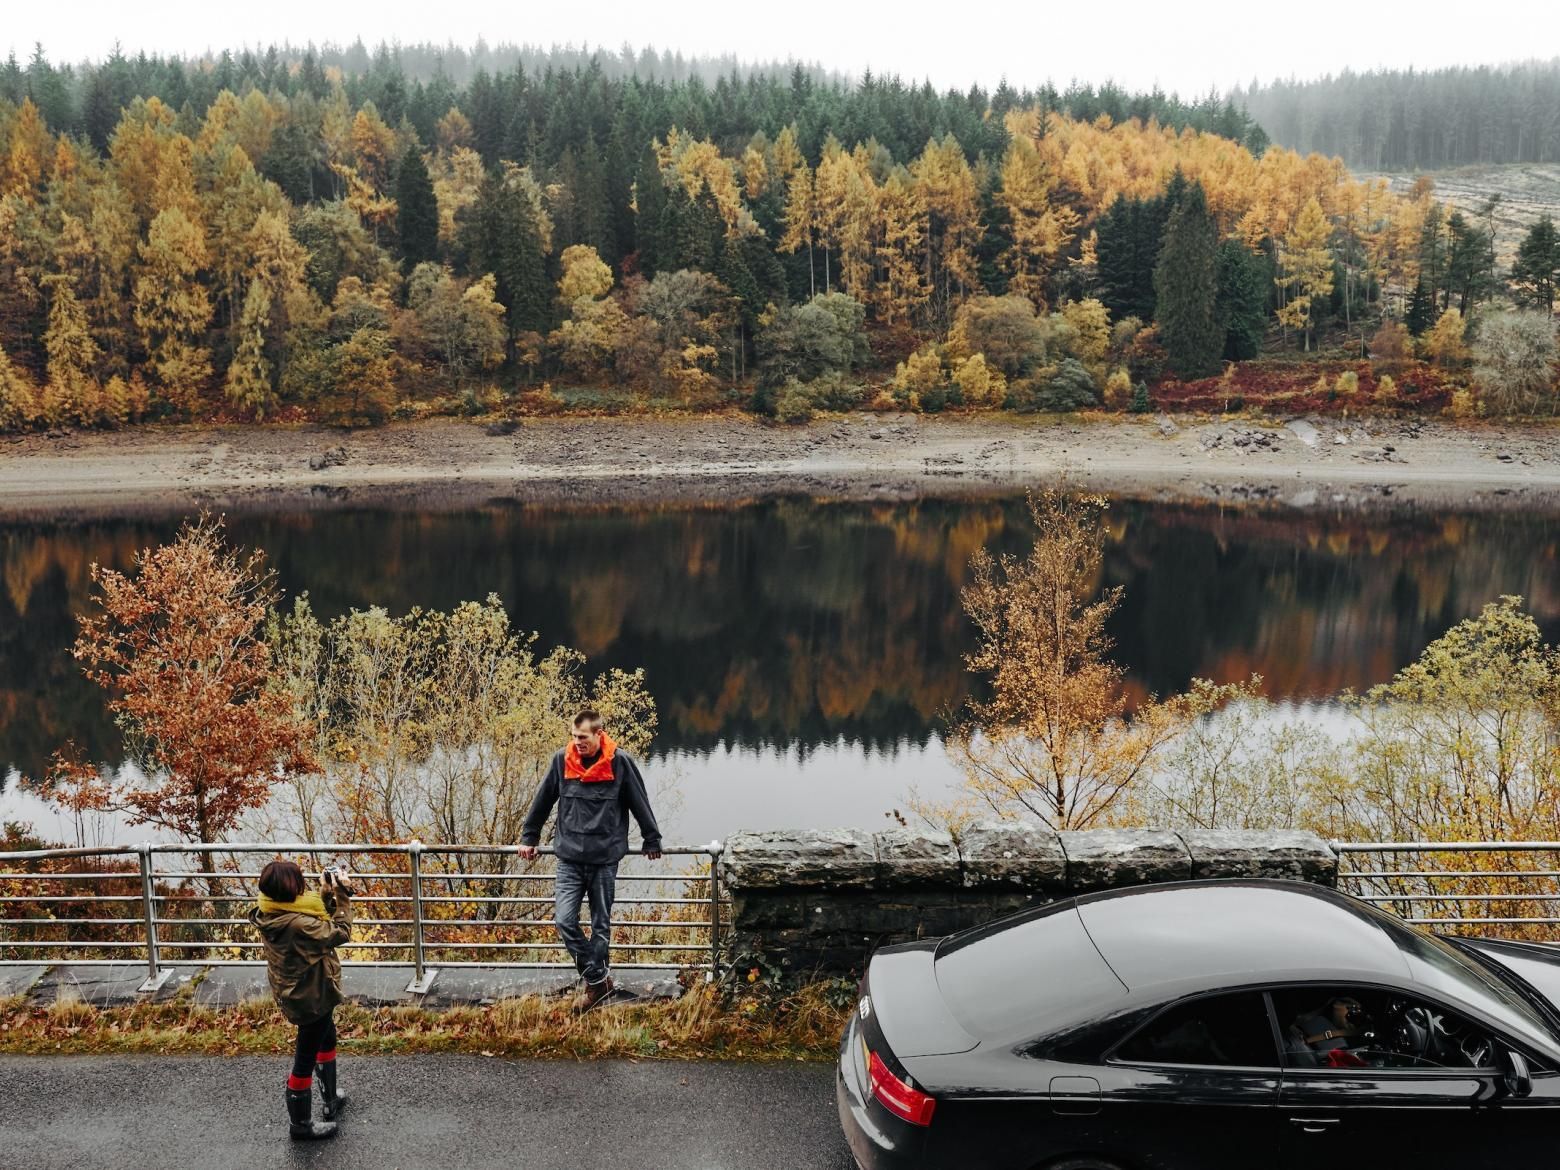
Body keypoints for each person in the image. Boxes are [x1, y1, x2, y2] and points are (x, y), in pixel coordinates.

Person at [518, 709, 663, 1010]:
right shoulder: (561, 760)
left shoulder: (619, 762)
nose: (577, 743)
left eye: (582, 738)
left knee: (601, 927)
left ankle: (594, 990)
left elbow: (639, 800)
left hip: (604, 859)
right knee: (564, 920)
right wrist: (529, 837)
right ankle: (598, 980)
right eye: (573, 737)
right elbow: (543, 799)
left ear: (599, 734)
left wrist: (652, 837)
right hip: (569, 858)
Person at [250, 859, 353, 1141]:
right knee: (304, 1059)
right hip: (310, 996)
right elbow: (339, 933)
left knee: (327, 1038)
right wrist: (343, 894)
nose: (303, 885)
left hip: (301, 991)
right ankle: (301, 1125)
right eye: (299, 881)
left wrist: (325, 895)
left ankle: (331, 1100)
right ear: (292, 888)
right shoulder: (296, 923)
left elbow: (314, 924)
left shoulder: (271, 910)